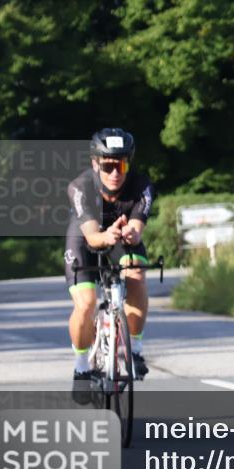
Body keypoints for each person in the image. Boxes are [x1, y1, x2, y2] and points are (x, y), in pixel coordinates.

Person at [65, 128, 155, 404]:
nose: (115, 172)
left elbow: (137, 230)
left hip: (121, 237)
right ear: (95, 164)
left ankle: (134, 350)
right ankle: (82, 367)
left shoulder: (142, 185)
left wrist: (130, 233)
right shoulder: (80, 187)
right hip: (85, 238)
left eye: (122, 165)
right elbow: (93, 237)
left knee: (136, 274)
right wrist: (107, 235)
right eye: (108, 166)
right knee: (86, 304)